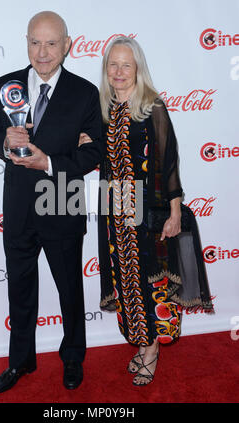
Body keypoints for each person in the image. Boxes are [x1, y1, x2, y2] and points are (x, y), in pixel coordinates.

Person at [79, 36, 213, 386]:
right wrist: (86, 143)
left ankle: (151, 349)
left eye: (126, 64)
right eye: (113, 64)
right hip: (115, 209)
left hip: (148, 213)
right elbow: (99, 157)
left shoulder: (152, 107)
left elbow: (169, 164)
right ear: (105, 69)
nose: (119, 71)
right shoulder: (102, 109)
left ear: (138, 69)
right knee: (126, 282)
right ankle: (141, 341)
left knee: (150, 281)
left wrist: (173, 212)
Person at [0, 11, 102, 393]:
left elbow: (93, 154)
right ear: (27, 42)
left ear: (67, 45)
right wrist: (5, 142)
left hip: (61, 198)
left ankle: (72, 359)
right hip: (19, 205)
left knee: (70, 289)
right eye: (35, 42)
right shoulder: (5, 86)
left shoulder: (85, 93)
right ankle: (20, 363)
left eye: (52, 43)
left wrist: (48, 162)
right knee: (19, 289)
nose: (43, 51)